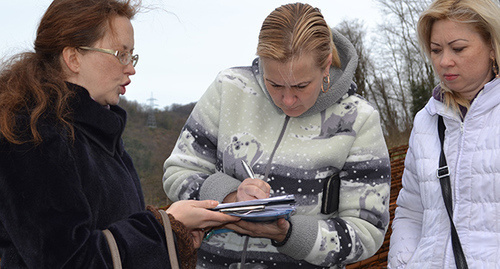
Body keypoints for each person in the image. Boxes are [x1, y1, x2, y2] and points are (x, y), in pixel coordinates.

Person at [0, 0, 239, 268]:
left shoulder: (99, 134)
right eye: (120, 54)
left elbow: (112, 232)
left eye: (132, 56)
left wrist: (175, 236)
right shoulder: (31, 135)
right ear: (73, 58)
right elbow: (67, 260)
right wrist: (165, 227)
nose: (130, 68)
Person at [163, 3, 391, 268]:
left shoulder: (358, 119)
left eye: (301, 86)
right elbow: (178, 172)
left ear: (326, 64)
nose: (288, 99)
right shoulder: (229, 89)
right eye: (274, 84)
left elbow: (366, 232)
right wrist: (231, 197)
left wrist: (291, 234)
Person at [388, 0, 500, 268]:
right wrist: (403, 264)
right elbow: (411, 213)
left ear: (493, 48)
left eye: (458, 48)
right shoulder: (425, 121)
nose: (444, 61)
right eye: (436, 50)